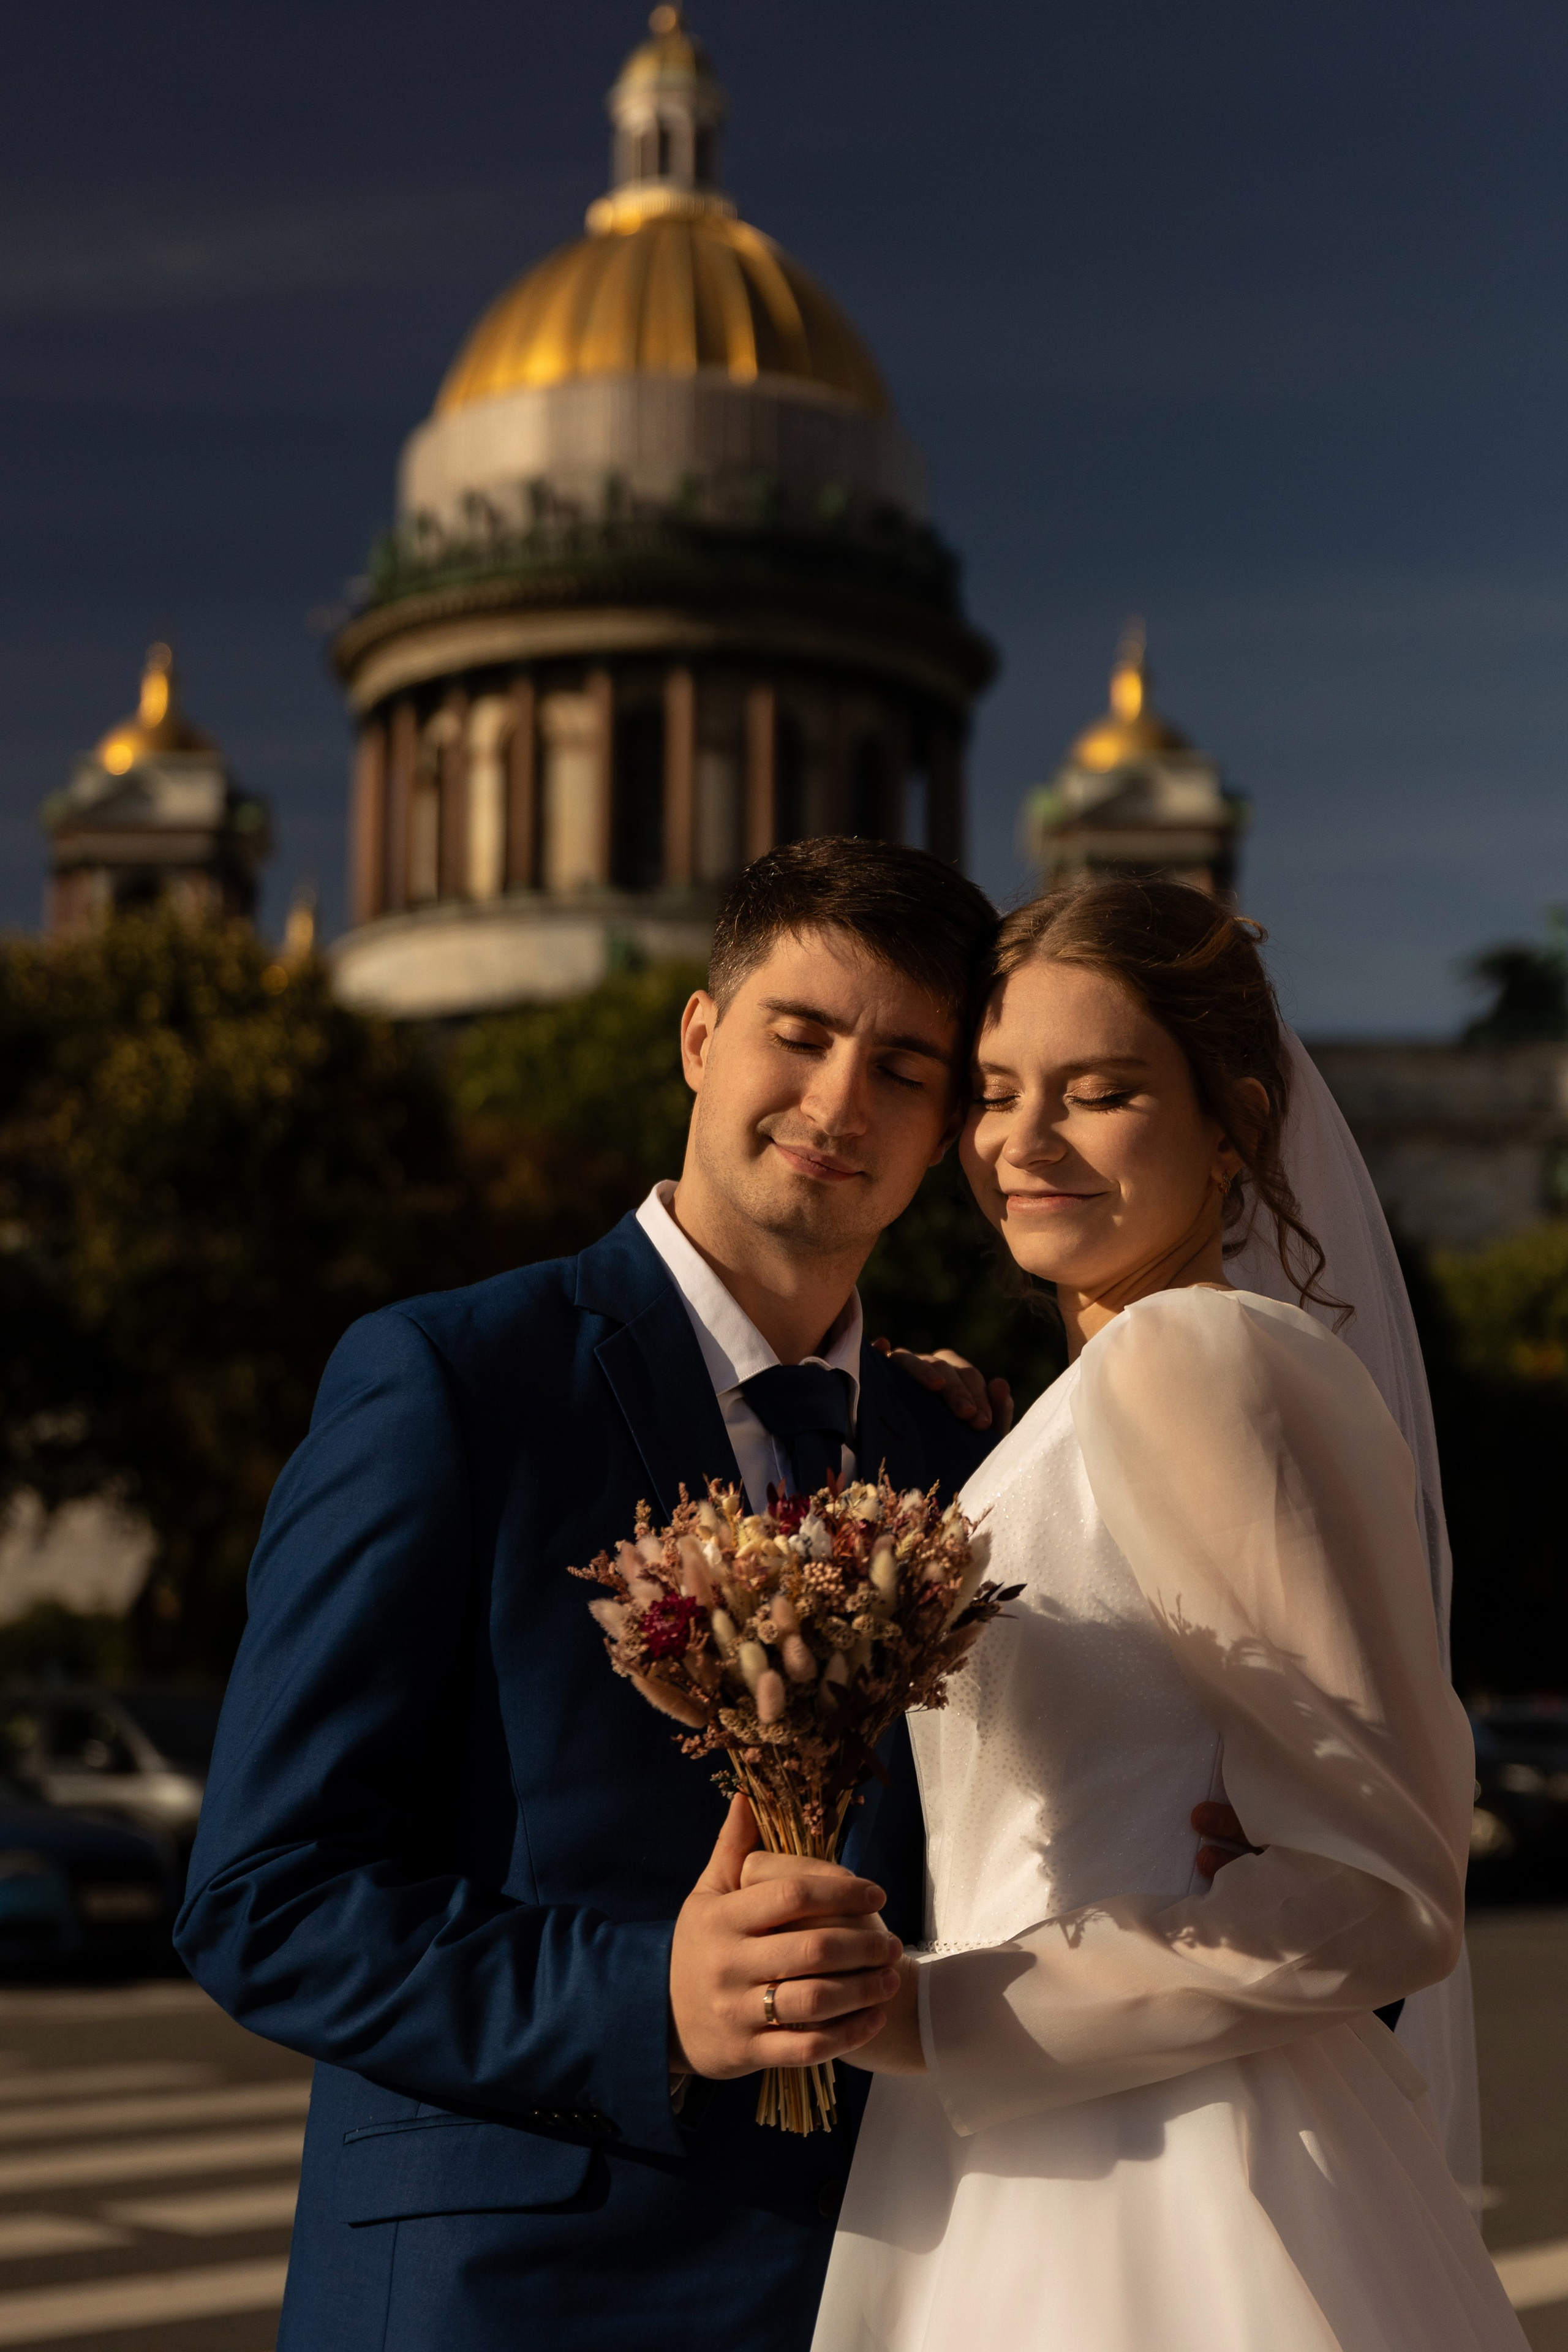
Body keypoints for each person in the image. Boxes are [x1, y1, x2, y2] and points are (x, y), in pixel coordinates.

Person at [176, 839, 1014, 2352]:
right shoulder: (450, 1381)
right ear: (699, 1037)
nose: (838, 1104)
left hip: (880, 2281)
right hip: (510, 2291)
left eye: (902, 1067)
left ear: (950, 1123)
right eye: (800, 1035)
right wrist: (643, 1999)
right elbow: (263, 1894)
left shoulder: (955, 1451)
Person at [804, 879, 1526, 2352]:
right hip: (1053, 2124)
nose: (1023, 1142)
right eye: (995, 1095)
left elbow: (1381, 1888)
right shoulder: (1112, 1386)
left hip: (1146, 2150)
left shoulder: (1193, 1359)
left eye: (1101, 1091)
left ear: (1234, 1127)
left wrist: (932, 2020)